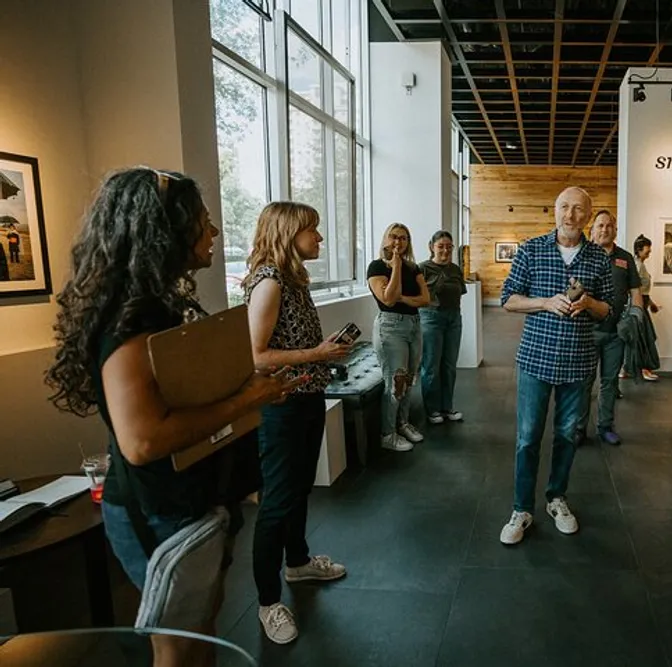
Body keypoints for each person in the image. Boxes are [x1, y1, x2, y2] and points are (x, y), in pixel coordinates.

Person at [45, 168, 295, 666]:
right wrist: (249, 400)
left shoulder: (157, 309)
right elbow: (142, 441)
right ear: (166, 230)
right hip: (155, 507)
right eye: (203, 221)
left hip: (190, 498)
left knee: (202, 629)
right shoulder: (132, 321)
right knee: (178, 648)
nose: (214, 232)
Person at [244, 202, 351, 644]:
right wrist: (316, 355)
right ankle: (269, 603)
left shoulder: (292, 279)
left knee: (298, 489)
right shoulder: (269, 283)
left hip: (306, 397)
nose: (319, 239)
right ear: (291, 233)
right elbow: (255, 356)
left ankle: (298, 561)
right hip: (282, 404)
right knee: (276, 502)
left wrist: (319, 354)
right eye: (313, 231)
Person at [498, 186, 612, 545]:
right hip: (535, 358)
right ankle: (521, 508)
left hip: (578, 363)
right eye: (564, 207)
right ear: (555, 210)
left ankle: (556, 498)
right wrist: (545, 303)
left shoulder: (598, 259)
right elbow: (508, 300)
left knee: (566, 437)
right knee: (527, 438)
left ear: (588, 216)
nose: (570, 215)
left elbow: (610, 309)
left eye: (579, 209)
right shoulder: (532, 249)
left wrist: (589, 303)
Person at [578, 210, 641, 445]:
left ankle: (605, 427)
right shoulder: (583, 256)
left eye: (609, 226)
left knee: (609, 382)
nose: (604, 230)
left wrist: (635, 319)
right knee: (584, 382)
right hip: (587, 332)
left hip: (616, 332)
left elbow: (636, 292)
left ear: (615, 229)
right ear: (592, 230)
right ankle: (578, 428)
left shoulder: (625, 258)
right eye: (600, 226)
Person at [367, 222, 430, 451]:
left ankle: (402, 423)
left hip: (414, 325)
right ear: (385, 239)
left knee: (410, 379)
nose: (398, 242)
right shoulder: (376, 267)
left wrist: (402, 297)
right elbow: (388, 300)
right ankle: (387, 434)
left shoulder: (414, 268)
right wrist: (394, 268)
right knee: (395, 382)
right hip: (390, 328)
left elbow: (425, 299)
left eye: (403, 238)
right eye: (393, 237)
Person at [419, 230, 466, 424]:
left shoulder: (455, 269)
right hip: (431, 317)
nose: (445, 250)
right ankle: (433, 410)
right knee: (431, 365)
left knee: (449, 365)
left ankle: (447, 407)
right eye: (441, 246)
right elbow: (418, 297)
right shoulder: (422, 268)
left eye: (449, 246)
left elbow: (460, 292)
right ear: (432, 247)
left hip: (454, 317)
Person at [632, 234, 659, 382]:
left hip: (642, 303)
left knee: (643, 336)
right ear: (639, 249)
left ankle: (632, 369)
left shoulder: (640, 264)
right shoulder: (637, 266)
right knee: (645, 337)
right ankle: (643, 369)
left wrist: (652, 304)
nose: (649, 252)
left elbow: (643, 290)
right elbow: (636, 290)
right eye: (647, 249)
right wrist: (642, 306)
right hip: (639, 304)